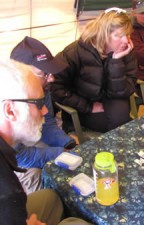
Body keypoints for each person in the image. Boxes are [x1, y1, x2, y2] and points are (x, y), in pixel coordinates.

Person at [0, 59, 92, 225]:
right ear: (10, 110)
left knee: (50, 197)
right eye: (38, 104)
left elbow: (48, 125)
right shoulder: (7, 192)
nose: (45, 110)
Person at [51, 7, 137, 133]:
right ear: (104, 34)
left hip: (111, 97)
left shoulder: (127, 51)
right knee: (118, 129)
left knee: (123, 125)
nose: (125, 40)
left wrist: (116, 61)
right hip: (82, 104)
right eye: (119, 35)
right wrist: (88, 107)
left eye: (128, 34)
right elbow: (55, 87)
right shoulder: (74, 52)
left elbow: (124, 90)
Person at [10, 36, 77, 194]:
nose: (52, 78)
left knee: (65, 160)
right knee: (35, 177)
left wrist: (67, 143)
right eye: (44, 73)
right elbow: (20, 157)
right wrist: (60, 152)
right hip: (9, 160)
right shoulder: (8, 99)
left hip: (28, 143)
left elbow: (47, 123)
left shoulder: (42, 88)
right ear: (21, 72)